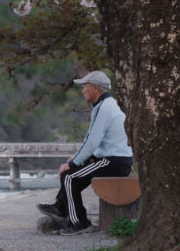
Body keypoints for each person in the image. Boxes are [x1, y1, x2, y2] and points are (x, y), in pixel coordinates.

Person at [37, 71, 133, 236]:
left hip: (114, 162)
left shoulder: (105, 107)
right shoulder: (104, 105)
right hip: (110, 159)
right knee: (70, 173)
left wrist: (72, 163)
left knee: (69, 176)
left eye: (85, 87)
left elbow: (92, 142)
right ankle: (60, 207)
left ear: (95, 88)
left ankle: (79, 223)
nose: (82, 91)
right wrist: (75, 158)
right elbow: (91, 140)